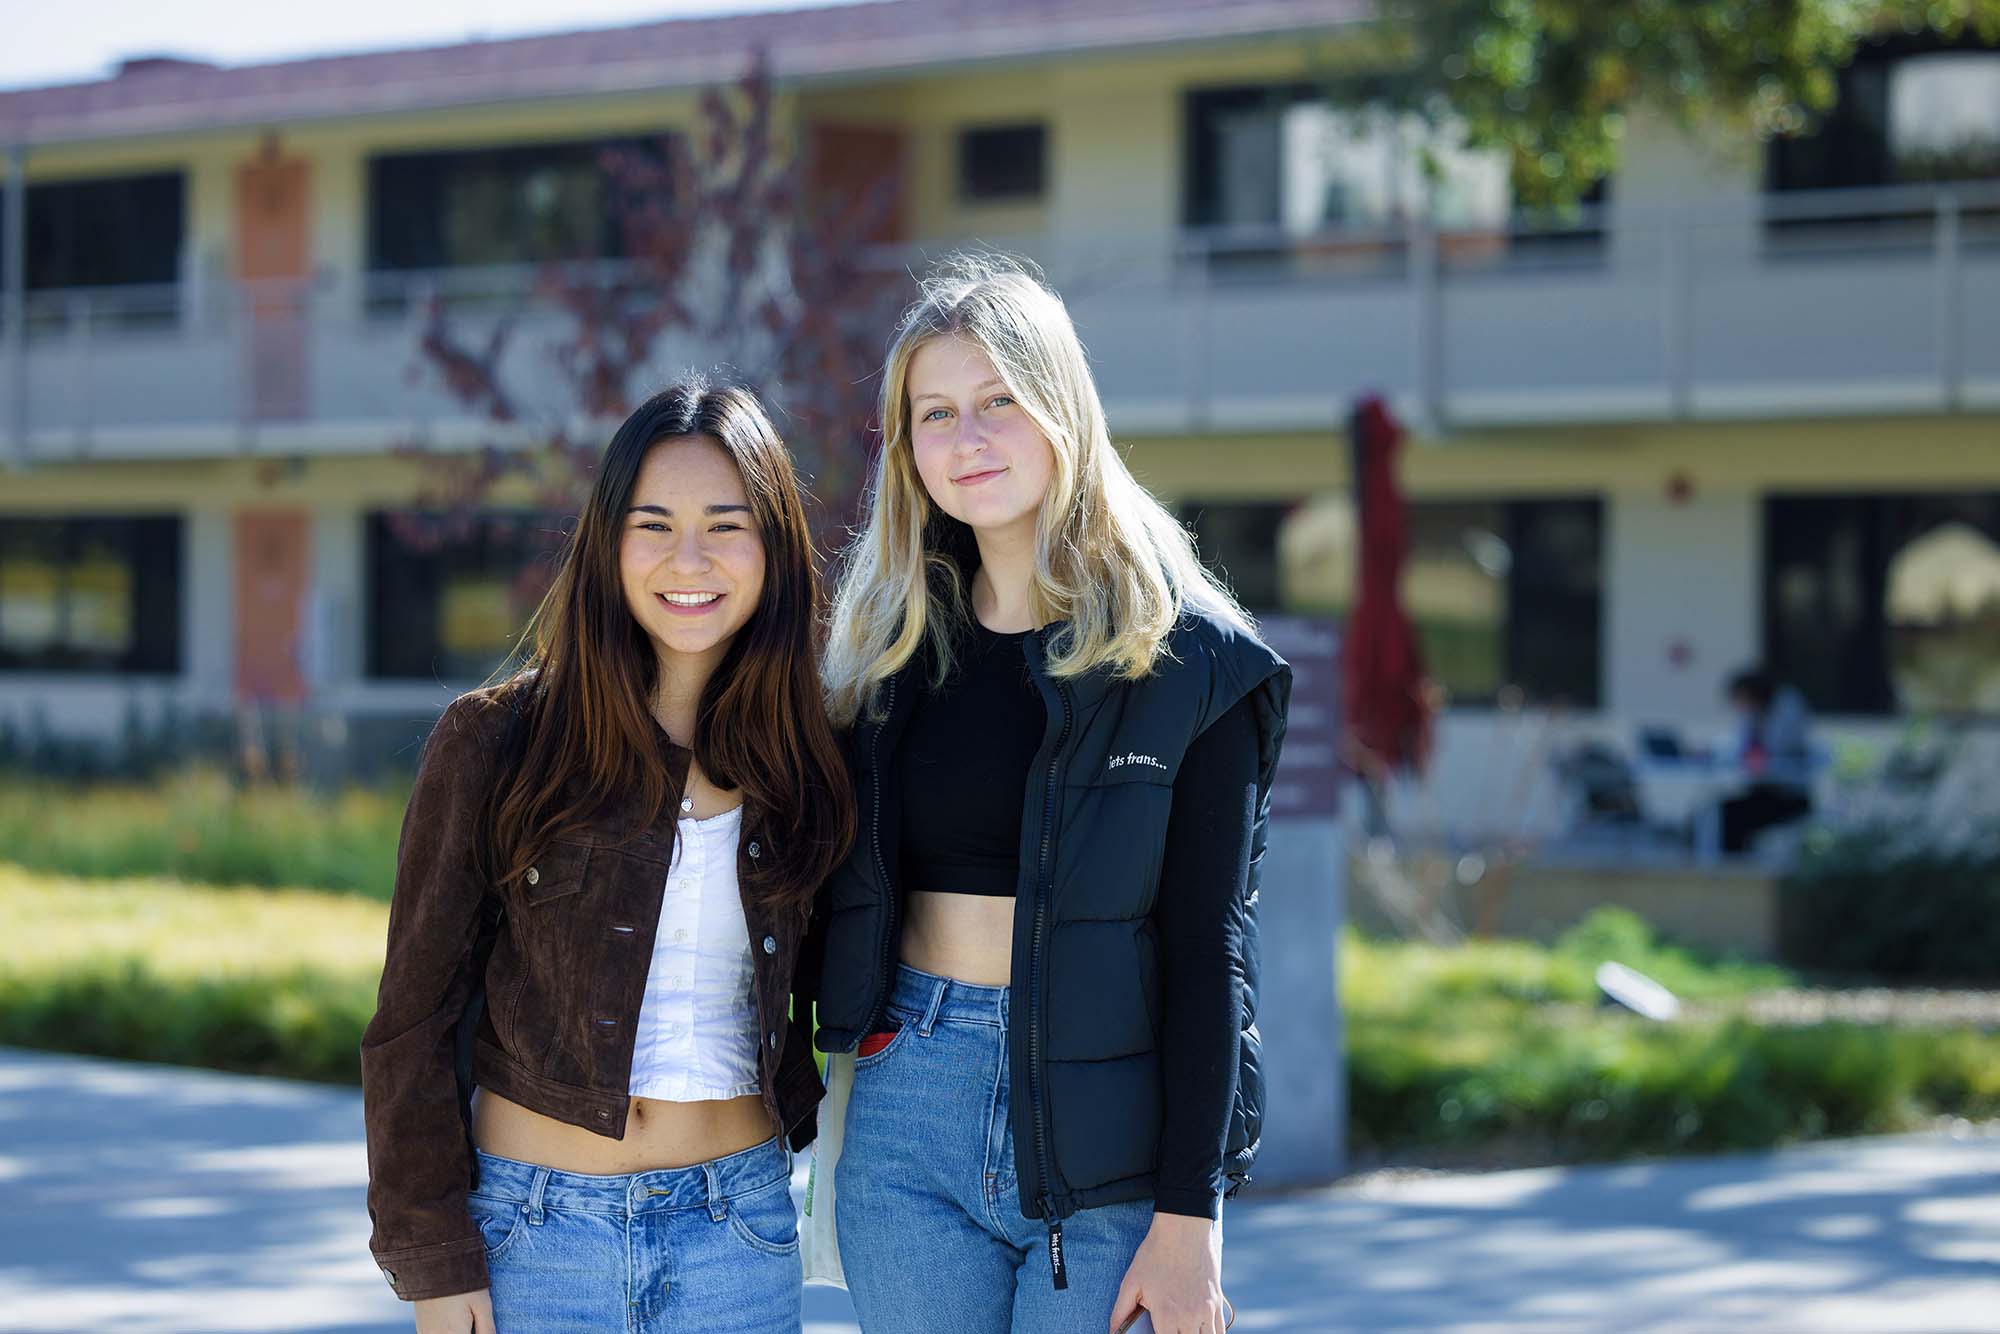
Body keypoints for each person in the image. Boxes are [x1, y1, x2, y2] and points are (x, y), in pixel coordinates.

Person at [807, 256, 1291, 1334]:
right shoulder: (881, 652)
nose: (965, 439)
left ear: (1060, 408)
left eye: (997, 402)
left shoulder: (1192, 661)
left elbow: (1210, 944)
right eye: (934, 413)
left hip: (1105, 1144)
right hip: (906, 1107)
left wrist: (1190, 1217)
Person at [360, 379, 854, 1333]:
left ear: (776, 547)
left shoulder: (811, 761)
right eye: (654, 524)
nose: (689, 559)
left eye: (726, 524)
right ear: (608, 542)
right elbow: (411, 1022)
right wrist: (433, 1259)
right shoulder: (497, 742)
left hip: (738, 1230)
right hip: (536, 1238)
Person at [1719, 666, 1814, 854]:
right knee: (1719, 811)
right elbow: (1742, 747)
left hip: (1788, 792)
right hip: (1762, 788)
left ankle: (1737, 865)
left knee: (1733, 816)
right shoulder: (1752, 715)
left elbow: (1780, 747)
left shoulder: (1787, 706)